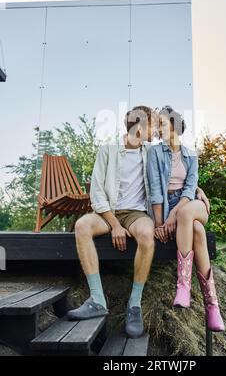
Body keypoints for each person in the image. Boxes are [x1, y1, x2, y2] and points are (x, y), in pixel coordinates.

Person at [67, 106, 157, 339]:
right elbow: (97, 192)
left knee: (147, 236)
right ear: (141, 126)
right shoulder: (107, 150)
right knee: (82, 226)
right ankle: (97, 299)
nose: (156, 130)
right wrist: (114, 224)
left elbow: (176, 171)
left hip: (137, 214)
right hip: (109, 213)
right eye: (153, 124)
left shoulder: (153, 152)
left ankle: (134, 305)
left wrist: (196, 190)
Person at [147, 105, 225, 332]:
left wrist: (174, 213)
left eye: (162, 124)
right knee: (198, 232)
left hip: (190, 204)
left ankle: (183, 286)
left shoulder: (191, 155)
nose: (158, 129)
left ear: (174, 125)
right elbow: (155, 190)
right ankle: (213, 308)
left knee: (186, 212)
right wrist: (160, 223)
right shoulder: (155, 152)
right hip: (172, 206)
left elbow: (190, 188)